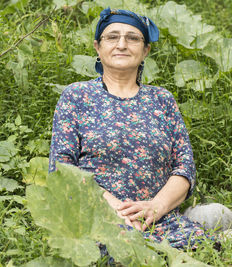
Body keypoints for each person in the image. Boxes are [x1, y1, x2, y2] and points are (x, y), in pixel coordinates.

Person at [49, 7, 210, 249]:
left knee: (203, 245)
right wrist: (117, 210)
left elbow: (185, 167)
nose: (122, 44)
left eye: (133, 38)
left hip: (158, 219)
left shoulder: (162, 99)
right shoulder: (77, 96)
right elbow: (61, 167)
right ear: (97, 47)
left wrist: (156, 207)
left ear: (146, 50)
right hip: (97, 214)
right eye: (112, 37)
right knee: (115, 250)